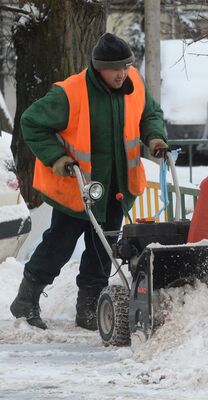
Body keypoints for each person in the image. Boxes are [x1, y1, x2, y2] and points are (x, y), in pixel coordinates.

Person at [10, 33, 168, 330]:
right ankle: (26, 299)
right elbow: (31, 122)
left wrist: (155, 137)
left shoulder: (133, 85)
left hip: (116, 187)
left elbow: (150, 114)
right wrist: (57, 157)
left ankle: (89, 307)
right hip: (78, 188)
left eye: (126, 66)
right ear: (99, 67)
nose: (122, 74)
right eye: (115, 69)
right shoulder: (70, 93)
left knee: (103, 248)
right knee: (58, 245)